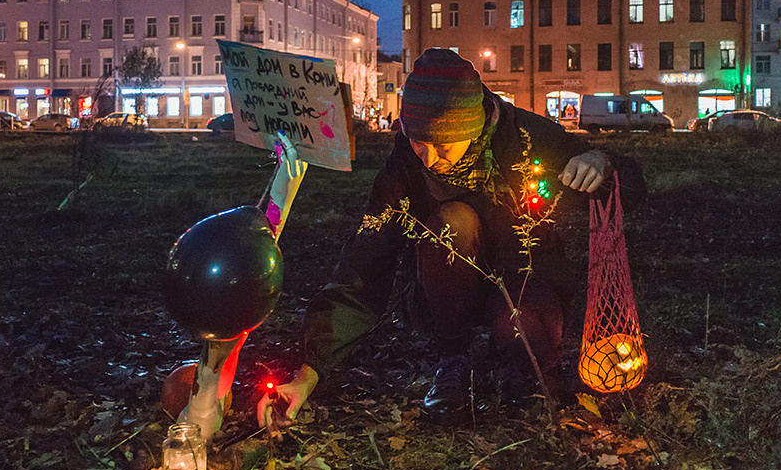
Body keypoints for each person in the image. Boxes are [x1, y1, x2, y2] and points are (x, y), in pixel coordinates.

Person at [260, 48, 639, 427]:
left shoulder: (527, 138)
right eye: (418, 141)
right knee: (452, 222)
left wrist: (601, 165)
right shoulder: (404, 168)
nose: (428, 157)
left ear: (472, 128)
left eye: (442, 145)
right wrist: (310, 371)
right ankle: (453, 358)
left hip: (526, 276)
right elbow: (365, 262)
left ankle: (519, 363)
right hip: (446, 290)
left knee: (528, 348)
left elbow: (631, 187)